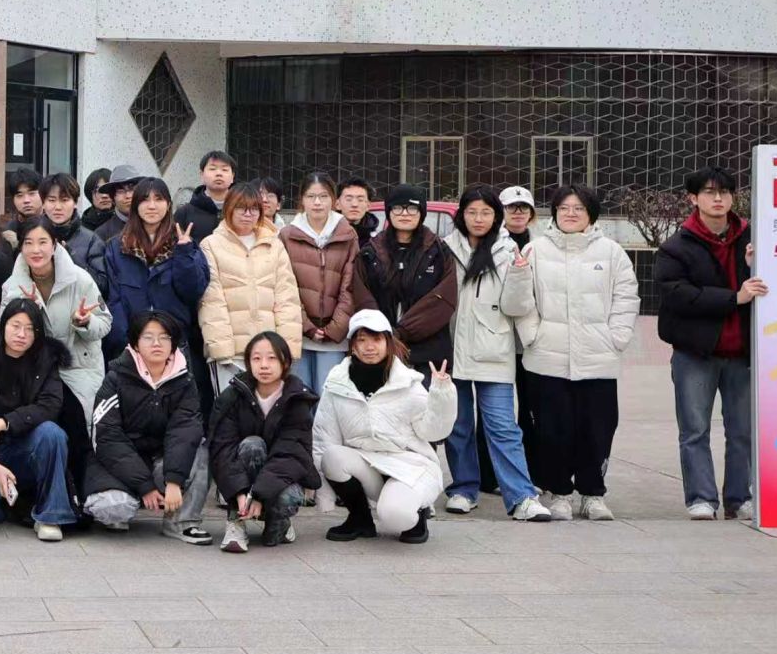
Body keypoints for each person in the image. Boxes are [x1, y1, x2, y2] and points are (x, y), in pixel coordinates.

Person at [503, 184, 639, 521]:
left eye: (578, 208)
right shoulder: (536, 250)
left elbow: (626, 297)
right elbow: (519, 303)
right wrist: (532, 335)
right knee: (552, 430)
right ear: (554, 212)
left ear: (591, 213)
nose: (571, 213)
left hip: (598, 359)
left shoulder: (611, 252)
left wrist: (616, 337)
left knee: (597, 429)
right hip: (547, 358)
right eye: (564, 208)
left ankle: (593, 494)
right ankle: (559, 492)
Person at [654, 166, 764, 522]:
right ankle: (701, 497)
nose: (718, 199)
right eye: (709, 192)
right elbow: (677, 295)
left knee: (743, 431)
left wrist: (752, 268)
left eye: (725, 192)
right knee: (694, 430)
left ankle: (739, 498)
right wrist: (734, 298)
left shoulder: (755, 238)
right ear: (693, 198)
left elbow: (767, 286)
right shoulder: (676, 246)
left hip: (743, 353)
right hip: (695, 353)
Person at [442, 187, 551, 521]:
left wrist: (519, 274)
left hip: (494, 350)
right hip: (452, 349)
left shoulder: (507, 251)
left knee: (503, 427)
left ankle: (522, 497)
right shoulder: (444, 249)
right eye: (472, 212)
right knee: (458, 426)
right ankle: (463, 489)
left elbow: (516, 307)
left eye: (486, 213)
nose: (479, 219)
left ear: (496, 217)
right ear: (461, 214)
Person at [313, 310, 455, 545]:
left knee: (395, 516)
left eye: (377, 339)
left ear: (388, 343)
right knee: (332, 456)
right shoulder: (337, 383)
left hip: (408, 466)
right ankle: (360, 519)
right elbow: (324, 438)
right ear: (353, 346)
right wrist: (325, 498)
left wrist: (441, 394)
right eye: (362, 340)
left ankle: (417, 512)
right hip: (368, 464)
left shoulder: (407, 382)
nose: (370, 347)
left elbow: (434, 432)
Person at [0, 217, 109, 499]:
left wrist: (84, 322)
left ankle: (82, 495)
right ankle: (44, 495)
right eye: (28, 243)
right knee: (41, 429)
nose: (36, 250)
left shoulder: (80, 279)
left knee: (77, 426)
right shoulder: (13, 285)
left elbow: (105, 323)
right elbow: (4, 330)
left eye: (42, 242)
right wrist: (27, 311)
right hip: (34, 373)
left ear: (56, 244)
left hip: (78, 368)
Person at [81, 311, 210, 543]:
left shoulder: (185, 382)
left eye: (164, 337)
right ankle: (131, 503)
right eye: (148, 337)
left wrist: (174, 481)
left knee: (199, 447)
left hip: (161, 461)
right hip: (118, 464)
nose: (156, 343)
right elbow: (107, 437)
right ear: (135, 344)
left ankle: (181, 522)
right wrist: (145, 486)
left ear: (173, 343)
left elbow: (184, 432)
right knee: (112, 508)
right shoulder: (116, 378)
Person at [0, 299, 76, 542]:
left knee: (52, 433)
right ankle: (15, 507)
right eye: (16, 326)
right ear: (3, 325)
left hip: (23, 447)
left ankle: (50, 516)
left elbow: (50, 405)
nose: (22, 334)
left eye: (30, 329)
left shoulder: (45, 359)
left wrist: (4, 422)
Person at [208, 331, 318, 551]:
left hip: (284, 476)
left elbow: (289, 454)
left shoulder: (297, 399)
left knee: (278, 521)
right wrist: (239, 494)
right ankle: (236, 522)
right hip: (243, 474)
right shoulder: (233, 396)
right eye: (256, 358)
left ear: (285, 362)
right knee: (252, 444)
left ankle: (279, 523)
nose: (264, 365)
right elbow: (222, 450)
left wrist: (259, 495)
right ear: (248, 362)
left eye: (272, 358)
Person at [198, 181, 303, 392]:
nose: (248, 214)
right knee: (230, 409)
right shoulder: (211, 245)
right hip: (231, 354)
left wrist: (287, 348)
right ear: (228, 208)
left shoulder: (274, 245)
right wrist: (222, 350)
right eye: (241, 208)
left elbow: (287, 298)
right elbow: (211, 301)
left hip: (270, 351)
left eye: (254, 208)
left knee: (270, 408)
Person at [352, 184, 456, 378]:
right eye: (398, 208)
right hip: (381, 350)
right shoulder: (370, 252)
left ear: (421, 212)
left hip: (429, 354)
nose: (405, 214)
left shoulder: (439, 252)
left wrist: (401, 332)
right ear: (389, 212)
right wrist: (382, 330)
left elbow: (443, 299)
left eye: (412, 208)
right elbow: (362, 297)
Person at [104, 177, 209, 365]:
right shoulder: (117, 247)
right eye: (145, 199)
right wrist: (126, 340)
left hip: (174, 342)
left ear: (168, 205)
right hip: (131, 344)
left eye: (159, 199)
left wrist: (184, 253)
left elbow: (193, 292)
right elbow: (113, 299)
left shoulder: (184, 244)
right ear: (136, 206)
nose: (152, 206)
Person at [281, 172, 360, 390]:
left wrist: (335, 328)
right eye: (311, 196)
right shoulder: (287, 235)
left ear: (334, 200)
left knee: (329, 395)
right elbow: (284, 286)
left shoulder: (347, 234)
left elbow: (351, 284)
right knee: (299, 396)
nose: (317, 202)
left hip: (334, 337)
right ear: (302, 200)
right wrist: (306, 326)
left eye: (324, 196)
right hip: (297, 332)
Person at [499, 185, 539, 493]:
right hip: (498, 339)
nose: (518, 212)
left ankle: (532, 472)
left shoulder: (541, 246)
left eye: (523, 207)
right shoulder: (493, 245)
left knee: (531, 409)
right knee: (496, 413)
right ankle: (491, 476)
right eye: (512, 207)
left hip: (530, 342)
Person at [38, 173, 111, 298]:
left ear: (75, 202)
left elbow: (103, 286)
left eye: (65, 200)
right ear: (43, 203)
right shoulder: (33, 237)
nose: (58, 207)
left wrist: (71, 258)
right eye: (52, 200)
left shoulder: (91, 240)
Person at [176, 150, 237, 243]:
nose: (219, 173)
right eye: (212, 169)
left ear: (232, 176)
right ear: (202, 175)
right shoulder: (184, 213)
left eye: (224, 170)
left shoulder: (243, 211)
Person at [92, 165, 142, 242]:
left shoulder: (153, 224)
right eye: (121, 191)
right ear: (113, 198)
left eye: (132, 189)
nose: (128, 196)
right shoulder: (102, 235)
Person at [0, 166, 44, 245]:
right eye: (20, 195)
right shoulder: (9, 231)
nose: (26, 200)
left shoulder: (54, 223)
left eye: (31, 194)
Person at [337, 178, 376, 244]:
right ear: (337, 204)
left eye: (360, 200)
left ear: (368, 206)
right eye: (349, 199)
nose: (354, 204)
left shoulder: (376, 239)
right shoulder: (325, 234)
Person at [80, 168, 115, 233]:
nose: (104, 195)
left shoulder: (126, 223)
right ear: (90, 194)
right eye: (98, 190)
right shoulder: (81, 228)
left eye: (107, 189)